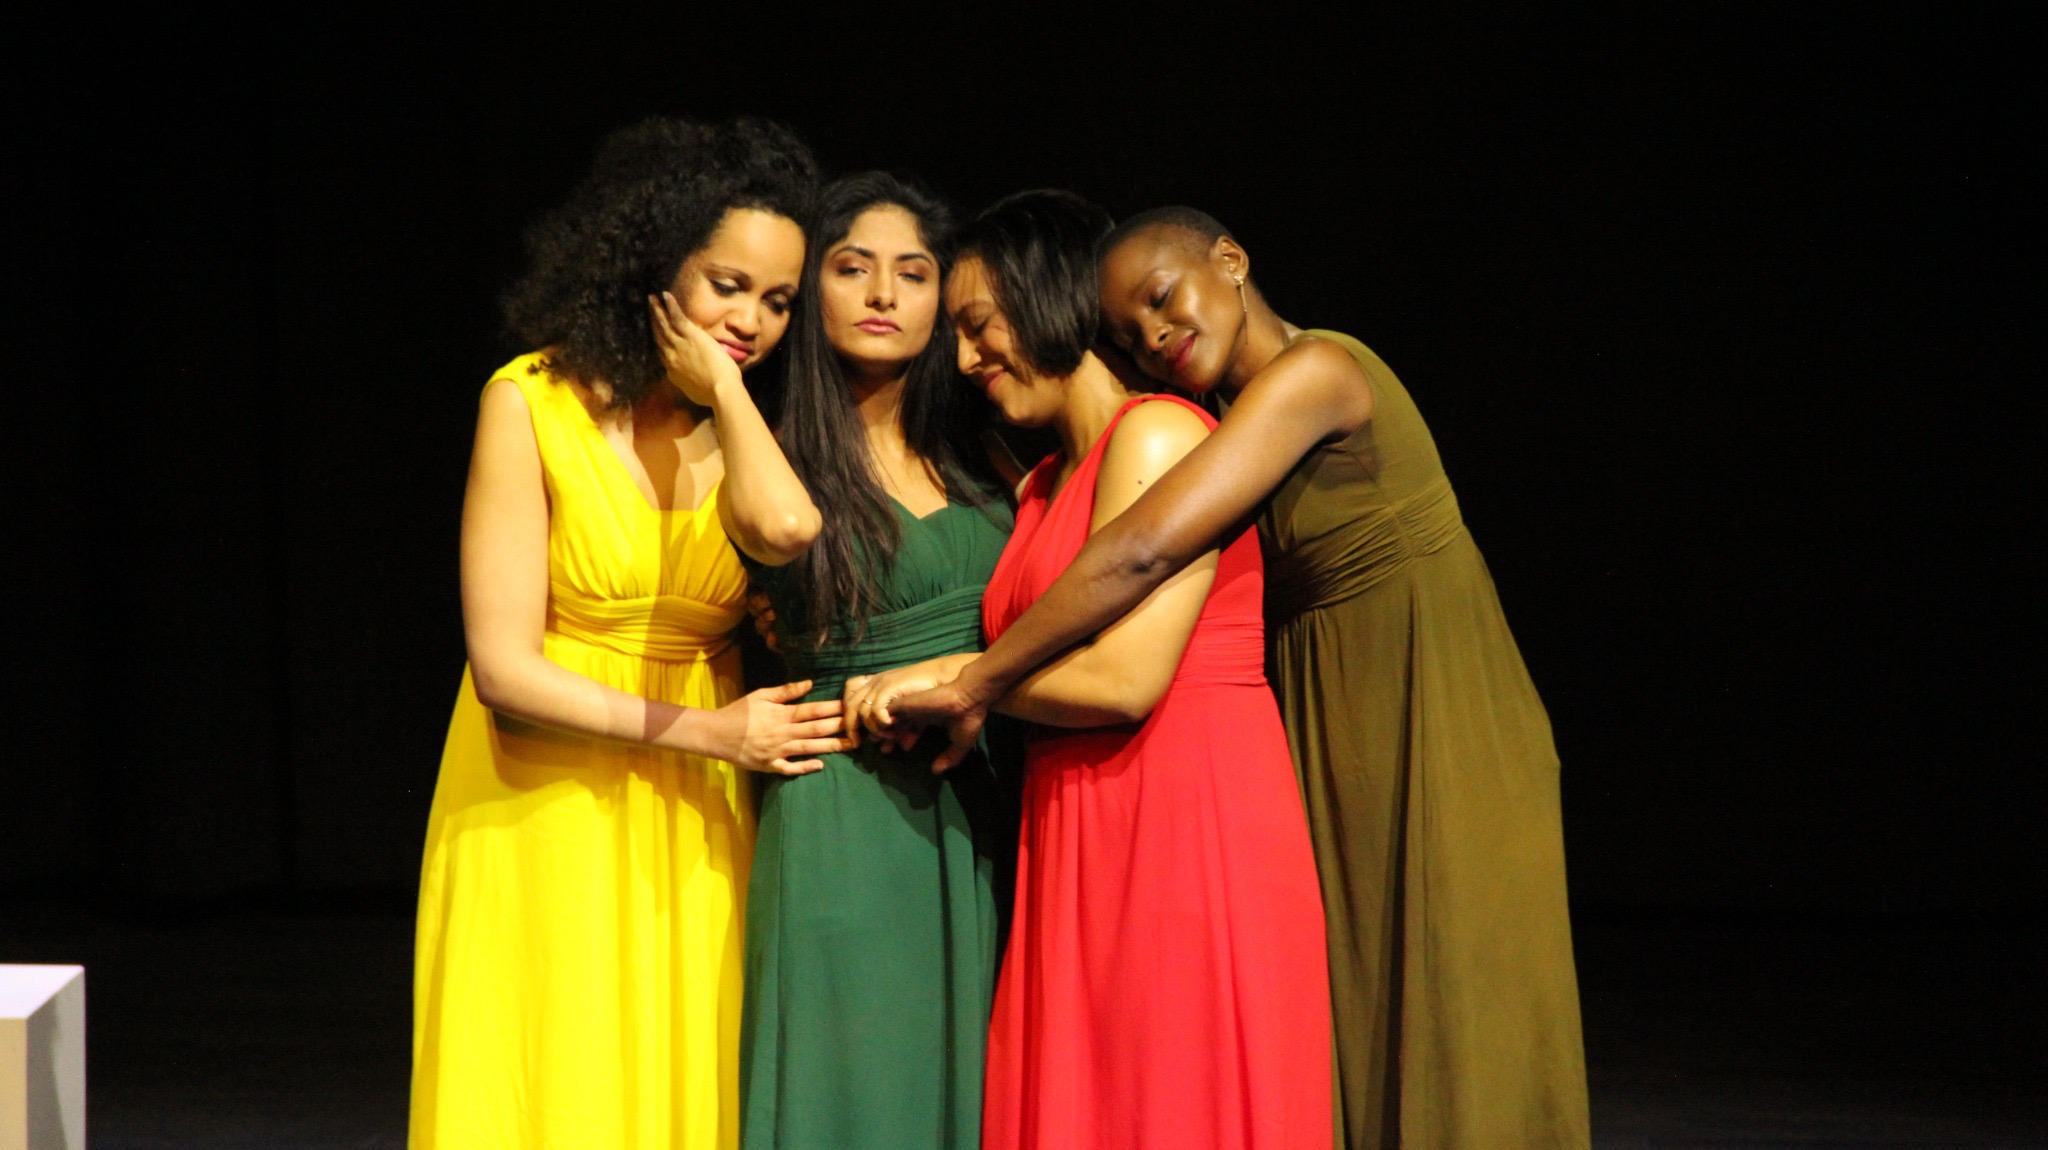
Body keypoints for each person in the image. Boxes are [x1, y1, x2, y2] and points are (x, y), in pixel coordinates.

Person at [893, 207, 1592, 1149]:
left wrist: (978, 680)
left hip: (1430, 690)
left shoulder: (1316, 372)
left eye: (1163, 298)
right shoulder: (1216, 417)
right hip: (1325, 698)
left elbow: (1141, 547)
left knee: (1459, 990)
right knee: (1365, 999)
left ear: (1230, 259)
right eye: (1129, 330)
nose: (1154, 334)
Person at [850, 190, 1333, 1149]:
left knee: (1175, 1099)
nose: (966, 359)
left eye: (979, 326)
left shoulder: (1158, 434)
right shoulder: (1037, 484)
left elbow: (1123, 682)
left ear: (1047, 301)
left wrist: (958, 678)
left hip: (1184, 823)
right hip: (1076, 821)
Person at [411, 117, 850, 1150]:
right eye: (725, 284)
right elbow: (504, 669)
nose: (749, 318)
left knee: (679, 1077)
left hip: (691, 812)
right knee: (547, 1078)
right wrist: (712, 736)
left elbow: (787, 532)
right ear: (658, 273)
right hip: (542, 795)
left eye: (778, 301)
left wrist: (730, 396)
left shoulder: (750, 436)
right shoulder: (532, 403)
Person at [654, 171, 1012, 1150]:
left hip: (970, 804)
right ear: (808, 291)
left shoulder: (984, 452)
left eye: (913, 272)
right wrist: (724, 384)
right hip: (838, 804)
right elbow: (774, 530)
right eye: (852, 269)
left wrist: (967, 670)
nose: (884, 294)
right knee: (850, 1085)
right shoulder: (765, 451)